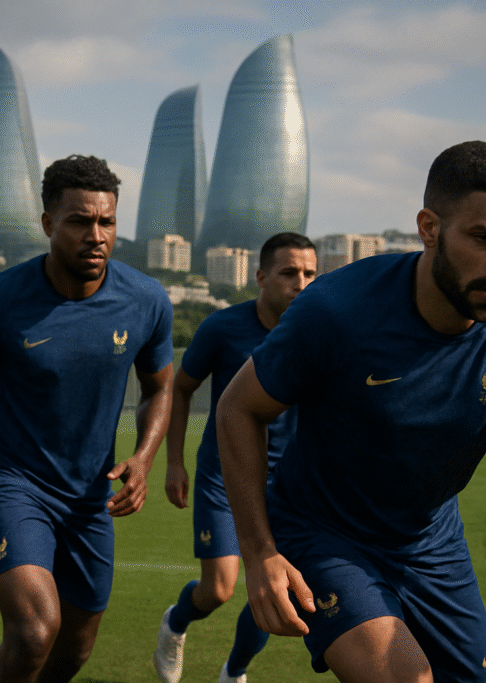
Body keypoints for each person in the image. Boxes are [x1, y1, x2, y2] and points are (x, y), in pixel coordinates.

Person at [217, 140, 486, 683]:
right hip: (322, 531)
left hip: (431, 542)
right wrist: (259, 555)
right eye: (484, 238)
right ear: (430, 228)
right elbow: (237, 409)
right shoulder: (336, 310)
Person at [0, 154, 174, 683]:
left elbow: (159, 387)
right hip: (10, 481)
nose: (96, 235)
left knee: (73, 650)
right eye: (79, 222)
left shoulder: (147, 300)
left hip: (88, 496)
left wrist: (144, 458)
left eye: (106, 222)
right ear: (47, 224)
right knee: (36, 629)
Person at [154, 233, 317, 683]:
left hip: (290, 487)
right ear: (261, 277)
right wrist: (174, 463)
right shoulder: (223, 328)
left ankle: (234, 672)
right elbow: (180, 387)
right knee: (220, 588)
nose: (300, 283)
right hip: (222, 478)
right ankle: (176, 622)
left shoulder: (324, 332)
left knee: (278, 593)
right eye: (288, 273)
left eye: (309, 273)